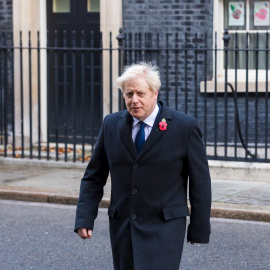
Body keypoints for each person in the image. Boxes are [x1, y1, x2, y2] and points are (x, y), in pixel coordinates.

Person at [74, 62, 211, 270]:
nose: (134, 100)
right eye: (129, 94)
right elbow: (94, 176)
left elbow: (200, 183)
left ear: (154, 93)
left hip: (164, 227)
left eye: (140, 93)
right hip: (123, 227)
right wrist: (85, 217)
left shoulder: (184, 127)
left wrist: (199, 228)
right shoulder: (111, 124)